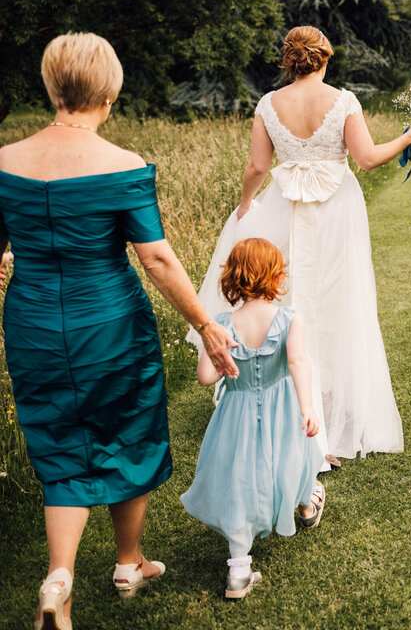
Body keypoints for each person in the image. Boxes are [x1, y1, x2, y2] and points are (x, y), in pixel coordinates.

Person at [0, 33, 238, 630]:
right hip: (108, 321)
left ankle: (59, 577)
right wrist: (207, 324)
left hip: (32, 321)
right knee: (129, 429)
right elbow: (155, 259)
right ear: (109, 93)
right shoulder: (123, 167)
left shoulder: (3, 162)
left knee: (59, 439)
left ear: (52, 87)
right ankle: (128, 563)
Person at [188, 26, 411, 467]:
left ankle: (285, 411)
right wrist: (410, 137)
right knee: (335, 301)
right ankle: (325, 423)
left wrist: (245, 208)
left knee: (286, 297)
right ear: (325, 58)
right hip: (336, 209)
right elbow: (368, 159)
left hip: (284, 207)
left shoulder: (268, 104)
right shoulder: (344, 100)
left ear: (289, 61)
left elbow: (258, 165)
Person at [181, 238, 325, 600]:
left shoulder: (223, 324)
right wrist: (307, 407)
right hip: (283, 409)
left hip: (236, 415)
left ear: (234, 278)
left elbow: (206, 377)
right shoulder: (291, 318)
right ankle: (306, 504)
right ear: (277, 275)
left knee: (239, 479)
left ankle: (239, 569)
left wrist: (218, 352)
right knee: (293, 458)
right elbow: (297, 363)